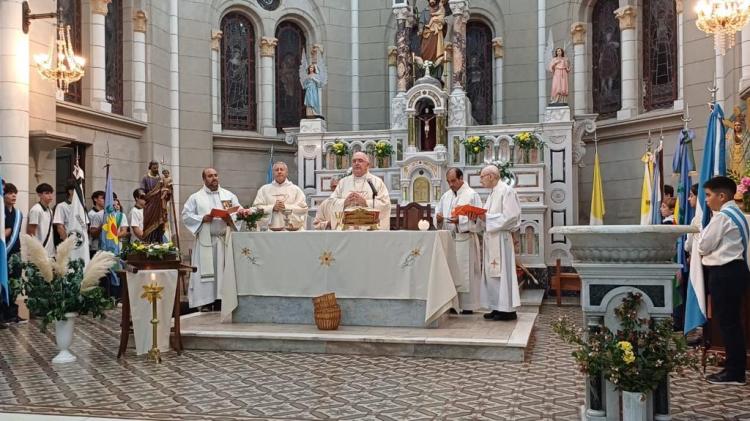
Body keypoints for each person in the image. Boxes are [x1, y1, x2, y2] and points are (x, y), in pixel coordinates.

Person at [698, 176, 748, 385]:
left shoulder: (722, 217)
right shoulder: (740, 214)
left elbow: (703, 245)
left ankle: (734, 372)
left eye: (709, 195)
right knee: (732, 322)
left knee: (727, 323)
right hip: (737, 271)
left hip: (724, 273)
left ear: (722, 195)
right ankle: (735, 366)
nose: (707, 200)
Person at [182, 168, 250, 309]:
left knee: (224, 272)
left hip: (224, 240)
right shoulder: (195, 197)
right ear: (204, 179)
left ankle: (222, 300)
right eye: (210, 176)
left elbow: (239, 211)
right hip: (206, 242)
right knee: (207, 273)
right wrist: (202, 218)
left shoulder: (228, 195)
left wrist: (233, 216)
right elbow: (186, 216)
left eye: (215, 175)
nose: (214, 178)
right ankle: (206, 302)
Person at [469, 165, 522, 321]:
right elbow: (485, 218)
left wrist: (487, 219)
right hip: (491, 237)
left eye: (482, 177)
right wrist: (476, 217)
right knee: (492, 275)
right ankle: (496, 306)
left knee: (502, 274)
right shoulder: (492, 194)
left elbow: (511, 217)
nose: (481, 181)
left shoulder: (506, 191)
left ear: (491, 176)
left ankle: (507, 310)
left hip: (501, 239)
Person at [435, 168, 483, 314]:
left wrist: (460, 220)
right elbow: (438, 212)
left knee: (465, 273)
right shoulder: (446, 196)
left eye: (453, 181)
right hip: (450, 239)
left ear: (461, 178)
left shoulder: (472, 195)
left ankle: (468, 305)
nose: (451, 184)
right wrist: (438, 218)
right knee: (451, 272)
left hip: (465, 238)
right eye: (448, 181)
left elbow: (479, 219)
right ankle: (453, 304)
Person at [329, 151, 391, 230]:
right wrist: (344, 202)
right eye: (354, 161)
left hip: (369, 231)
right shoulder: (343, 182)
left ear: (367, 165)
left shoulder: (376, 182)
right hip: (347, 231)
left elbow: (385, 204)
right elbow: (331, 202)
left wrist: (366, 203)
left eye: (360, 161)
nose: (356, 163)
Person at [252, 162, 308, 230]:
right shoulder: (264, 189)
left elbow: (303, 209)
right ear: (273, 173)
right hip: (269, 231)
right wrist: (272, 208)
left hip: (291, 231)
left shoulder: (296, 190)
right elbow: (256, 208)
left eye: (281, 169)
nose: (279, 171)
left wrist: (286, 207)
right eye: (276, 170)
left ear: (286, 173)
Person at [3, 183, 24, 324]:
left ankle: (13, 314)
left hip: (15, 252)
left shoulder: (18, 214)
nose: (13, 195)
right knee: (4, 283)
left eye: (15, 193)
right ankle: (3, 315)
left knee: (15, 283)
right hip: (3, 253)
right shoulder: (1, 212)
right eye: (10, 193)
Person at [140, 161, 170, 243]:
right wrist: (142, 193)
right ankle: (149, 241)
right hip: (150, 204)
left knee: (159, 224)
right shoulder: (145, 178)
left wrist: (168, 191)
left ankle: (158, 241)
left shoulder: (160, 179)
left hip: (159, 205)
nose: (156, 169)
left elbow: (165, 190)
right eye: (154, 168)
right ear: (150, 168)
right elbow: (142, 189)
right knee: (149, 223)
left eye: (157, 168)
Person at [27, 183, 55, 257]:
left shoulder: (50, 210)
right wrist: (34, 250)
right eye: (47, 193)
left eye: (51, 193)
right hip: (39, 252)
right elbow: (31, 232)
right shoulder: (36, 209)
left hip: (50, 251)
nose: (50, 196)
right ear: (39, 195)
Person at [88, 190, 105, 258]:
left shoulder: (105, 213)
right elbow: (91, 231)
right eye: (102, 198)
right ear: (95, 199)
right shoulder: (91, 214)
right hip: (95, 246)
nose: (104, 200)